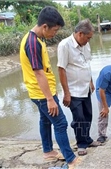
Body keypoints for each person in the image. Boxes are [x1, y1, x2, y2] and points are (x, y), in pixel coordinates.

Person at [19, 6, 80, 169]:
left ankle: (48, 152)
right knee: (60, 123)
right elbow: (38, 73)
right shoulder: (32, 43)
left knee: (45, 120)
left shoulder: (37, 39)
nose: (55, 33)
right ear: (45, 26)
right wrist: (49, 99)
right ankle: (71, 159)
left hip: (41, 92)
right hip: (41, 93)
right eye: (55, 30)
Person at [57, 19, 101, 156]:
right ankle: (81, 144)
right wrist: (66, 93)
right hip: (73, 90)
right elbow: (61, 69)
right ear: (80, 34)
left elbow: (87, 64)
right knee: (79, 118)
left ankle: (87, 139)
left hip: (86, 88)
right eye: (88, 38)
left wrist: (91, 82)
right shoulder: (65, 45)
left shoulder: (85, 45)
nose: (89, 41)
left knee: (88, 115)